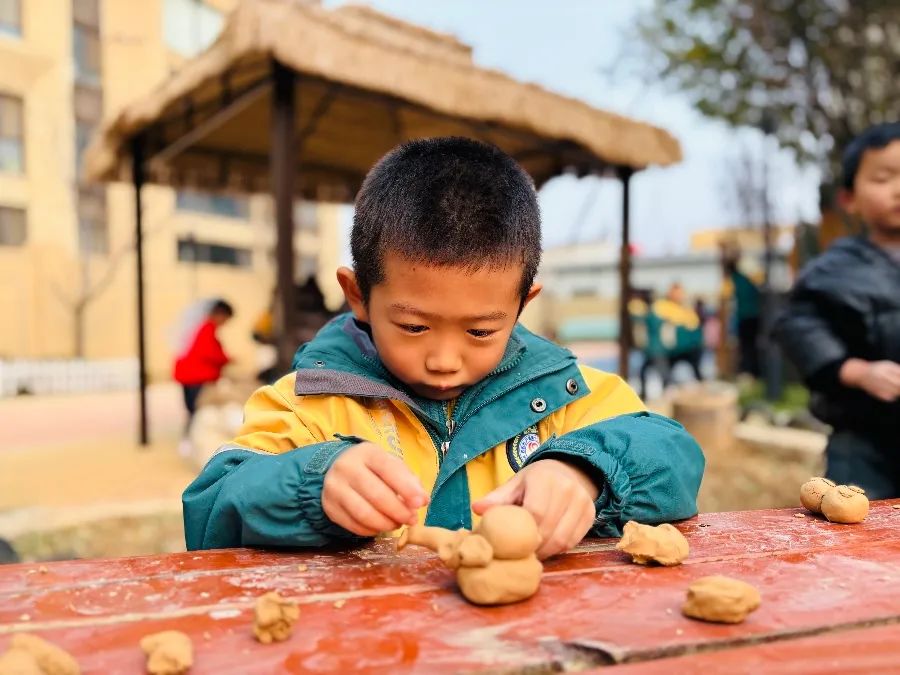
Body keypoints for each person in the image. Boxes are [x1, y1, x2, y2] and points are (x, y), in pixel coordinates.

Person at [183, 138, 704, 558]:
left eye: (480, 331)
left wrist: (586, 470)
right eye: (412, 327)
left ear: (522, 304)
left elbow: (676, 457)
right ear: (358, 295)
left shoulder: (566, 395)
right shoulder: (312, 402)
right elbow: (211, 508)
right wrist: (310, 485)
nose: (444, 360)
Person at [775, 122, 900, 498]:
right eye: (883, 177)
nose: (899, 188)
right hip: (865, 439)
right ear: (850, 198)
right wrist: (857, 372)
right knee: (859, 533)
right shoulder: (833, 270)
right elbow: (798, 326)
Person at [173, 299, 234, 452]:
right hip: (196, 377)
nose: (225, 323)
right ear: (220, 314)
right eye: (226, 318)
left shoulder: (201, 328)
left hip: (189, 376)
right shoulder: (207, 329)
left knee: (192, 410)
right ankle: (189, 441)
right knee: (197, 410)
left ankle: (188, 441)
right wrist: (227, 359)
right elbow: (209, 354)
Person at [722, 247, 762, 377]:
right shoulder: (749, 279)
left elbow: (724, 298)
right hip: (755, 316)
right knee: (753, 345)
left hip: (744, 317)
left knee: (745, 346)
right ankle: (755, 371)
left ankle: (748, 371)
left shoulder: (732, 280)